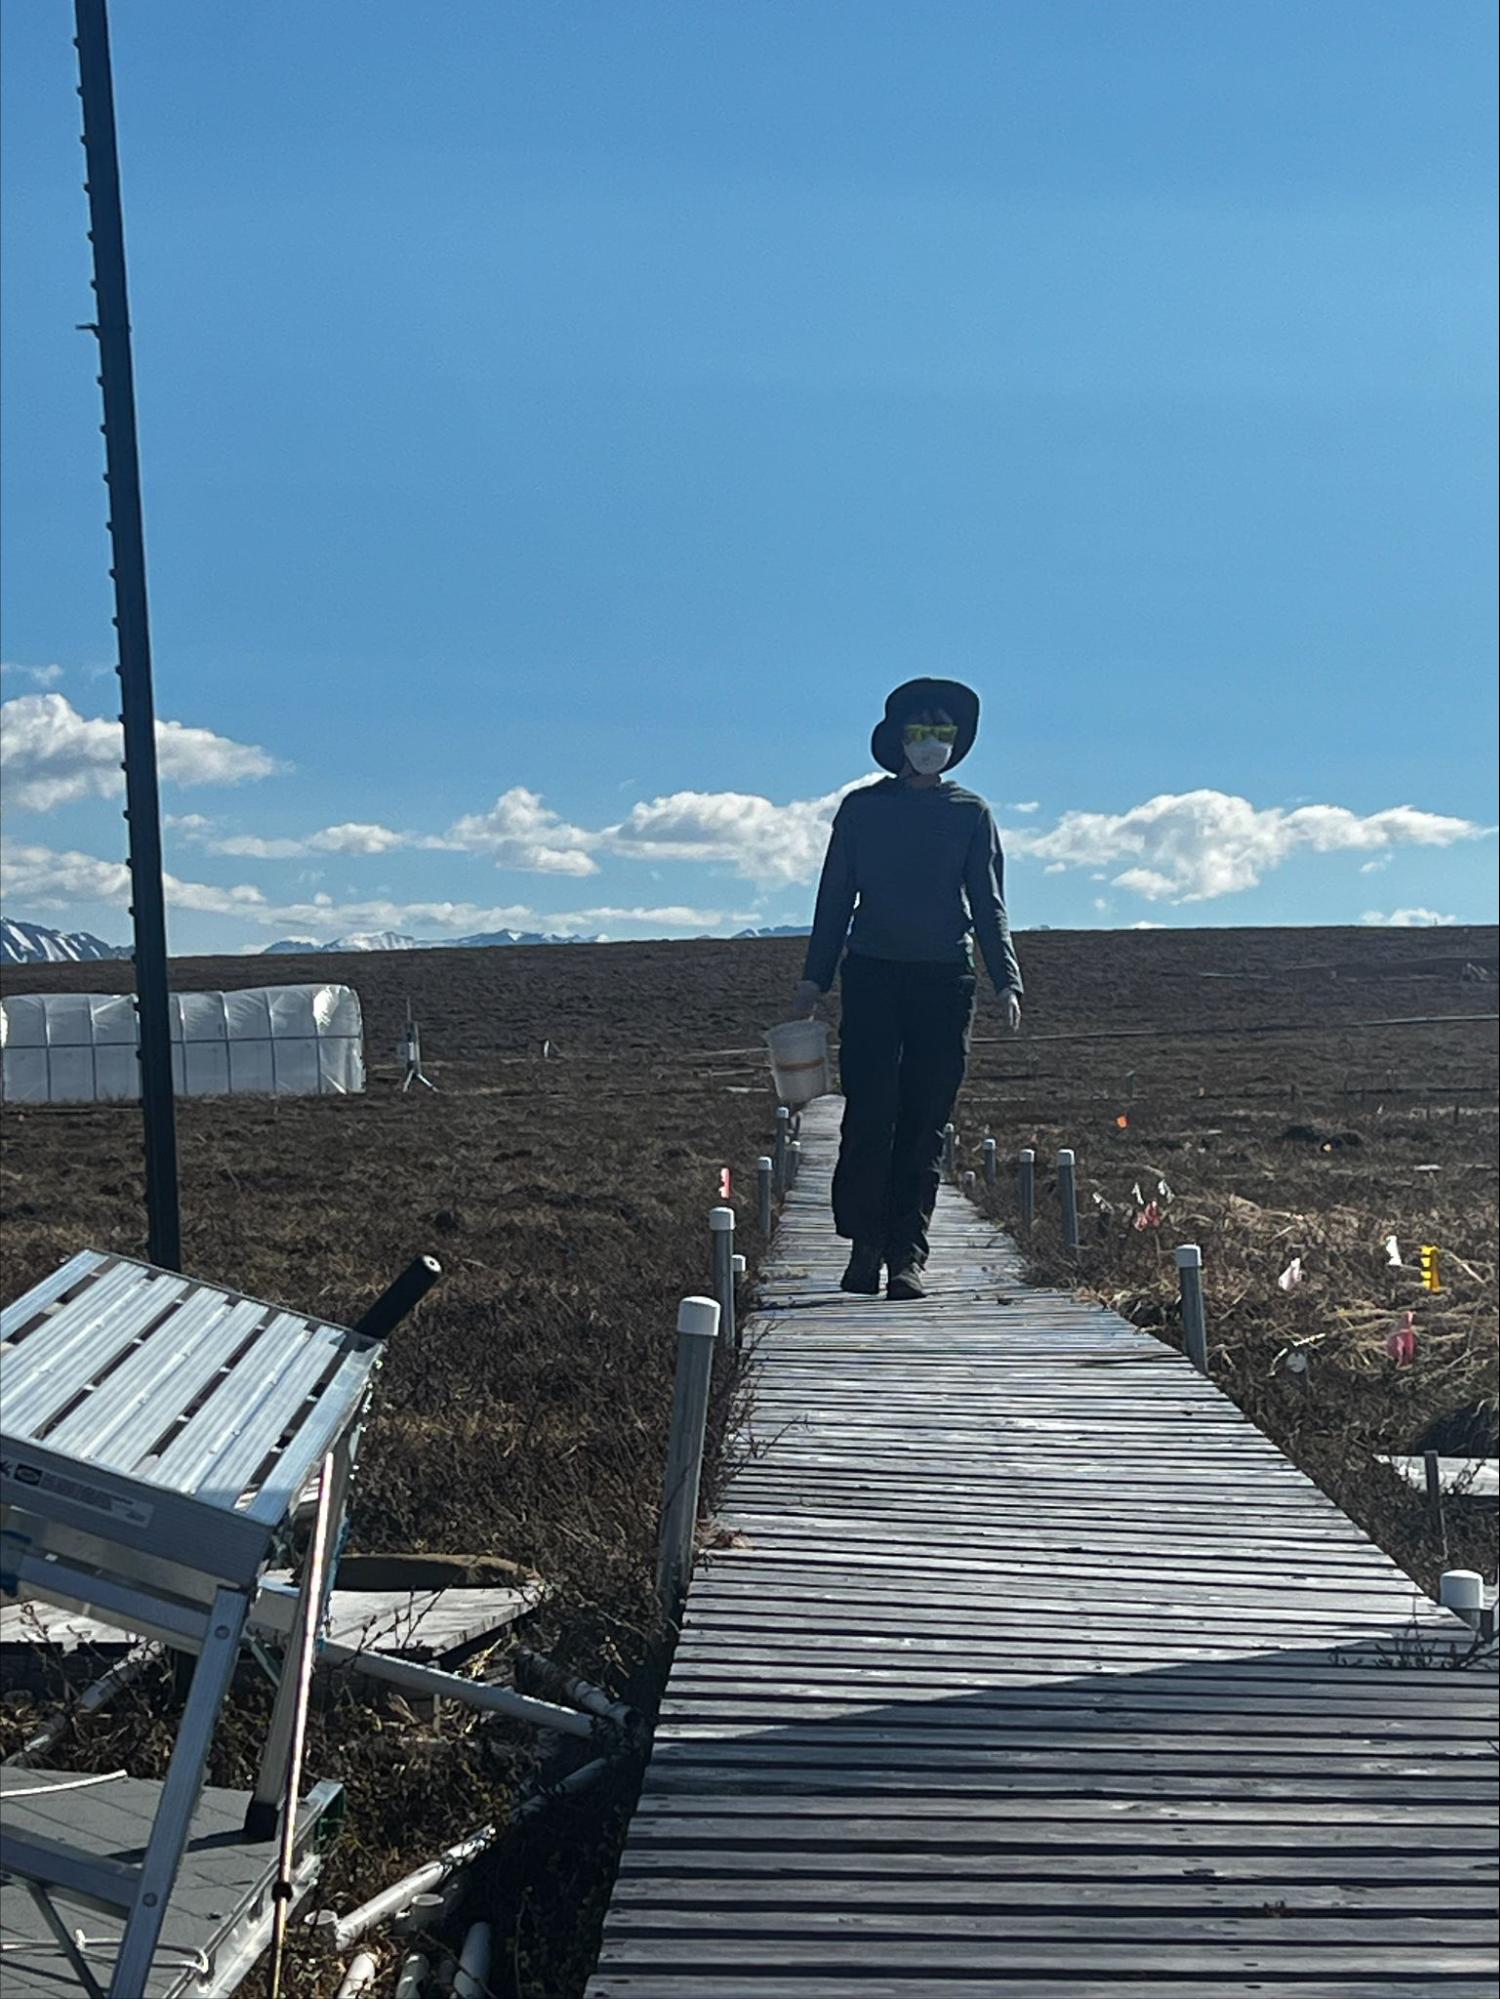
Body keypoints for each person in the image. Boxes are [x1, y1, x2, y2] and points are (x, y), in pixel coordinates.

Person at [789, 677, 1022, 1301]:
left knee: (925, 1121)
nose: (930, 743)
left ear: (955, 742)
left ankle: (906, 1257)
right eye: (920, 731)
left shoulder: (971, 813)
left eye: (942, 732)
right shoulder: (861, 810)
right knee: (870, 1114)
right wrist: (814, 978)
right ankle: (864, 1246)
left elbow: (988, 902)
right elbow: (835, 898)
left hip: (945, 980)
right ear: (898, 739)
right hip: (871, 974)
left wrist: (1006, 979)